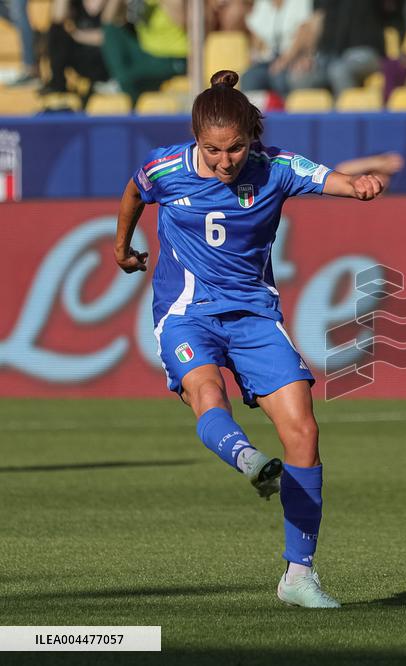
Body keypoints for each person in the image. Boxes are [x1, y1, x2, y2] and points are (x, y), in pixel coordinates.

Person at [112, 70, 386, 608]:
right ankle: (247, 459)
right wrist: (123, 249)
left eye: (235, 148)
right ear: (197, 139)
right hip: (187, 313)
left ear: (250, 139)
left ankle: (298, 577)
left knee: (303, 429)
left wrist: (358, 186)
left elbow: (327, 177)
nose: (224, 161)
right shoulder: (164, 167)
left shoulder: (274, 169)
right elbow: (134, 192)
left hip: (255, 317)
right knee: (206, 392)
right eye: (213, 150)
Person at [100, 0, 188, 103]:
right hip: (145, 53)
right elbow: (108, 20)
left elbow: (184, 21)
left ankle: (126, 89)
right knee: (111, 32)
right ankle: (124, 84)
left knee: (128, 76)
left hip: (174, 56)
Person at [42, 0, 110, 97]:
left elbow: (109, 37)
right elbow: (58, 17)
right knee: (57, 31)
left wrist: (78, 35)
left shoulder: (112, 4)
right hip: (81, 56)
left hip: (102, 58)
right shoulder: (76, 4)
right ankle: (57, 83)